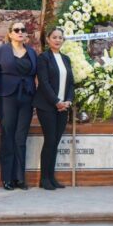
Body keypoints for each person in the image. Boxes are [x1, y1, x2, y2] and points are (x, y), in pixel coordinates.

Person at [0, 22, 37, 191]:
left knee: (21, 137)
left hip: (26, 97)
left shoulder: (31, 53)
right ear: (10, 34)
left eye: (23, 30)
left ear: (26, 34)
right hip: (6, 97)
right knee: (8, 136)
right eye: (16, 30)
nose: (20, 32)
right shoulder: (0, 51)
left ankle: (20, 177)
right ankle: (7, 178)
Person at [32, 27, 74, 190]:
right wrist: (57, 101)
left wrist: (68, 100)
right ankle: (44, 179)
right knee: (49, 141)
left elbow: (71, 83)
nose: (57, 40)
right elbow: (43, 82)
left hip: (64, 107)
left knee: (55, 142)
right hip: (47, 106)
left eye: (60, 37)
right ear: (48, 40)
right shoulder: (43, 58)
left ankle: (52, 177)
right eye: (54, 37)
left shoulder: (66, 59)